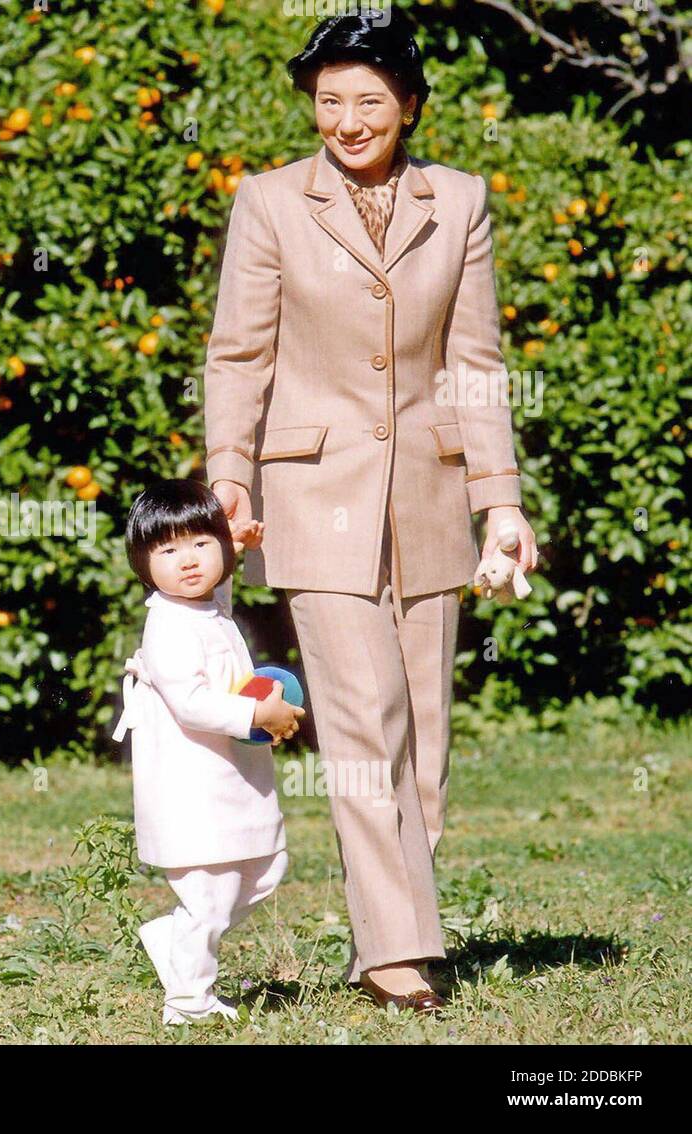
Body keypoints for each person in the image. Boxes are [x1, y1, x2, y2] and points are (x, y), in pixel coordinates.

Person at [202, 13, 540, 1014]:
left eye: (366, 100)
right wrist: (231, 475)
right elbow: (238, 353)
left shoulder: (461, 202)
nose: (345, 120)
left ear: (408, 105)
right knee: (363, 718)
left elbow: (473, 365)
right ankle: (397, 952)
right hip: (311, 493)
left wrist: (501, 503)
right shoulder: (267, 203)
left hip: (432, 495)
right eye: (327, 99)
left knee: (421, 735)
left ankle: (398, 915)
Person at [113, 480, 303, 1024]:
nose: (188, 562)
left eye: (200, 543)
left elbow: (216, 585)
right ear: (143, 564)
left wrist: (233, 544)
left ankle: (174, 935)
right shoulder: (166, 625)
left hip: (233, 778)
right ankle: (189, 1001)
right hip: (190, 786)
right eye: (168, 551)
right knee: (210, 893)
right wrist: (255, 715)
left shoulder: (204, 606)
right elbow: (192, 703)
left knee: (267, 867)